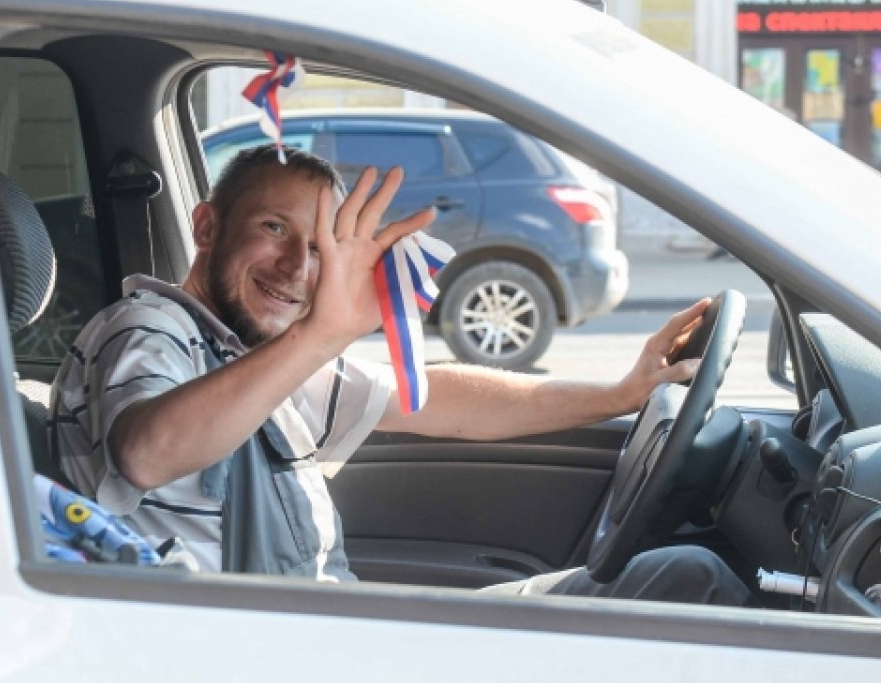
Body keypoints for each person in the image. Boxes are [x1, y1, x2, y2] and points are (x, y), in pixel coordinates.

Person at [50, 145, 752, 605]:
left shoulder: (240, 355)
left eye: (321, 248)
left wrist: (622, 393)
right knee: (693, 588)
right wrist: (321, 332)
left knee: (684, 576)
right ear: (206, 227)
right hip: (276, 660)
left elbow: (440, 399)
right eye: (272, 228)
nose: (297, 268)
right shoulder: (147, 329)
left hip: (335, 625)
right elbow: (146, 452)